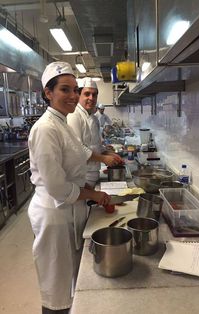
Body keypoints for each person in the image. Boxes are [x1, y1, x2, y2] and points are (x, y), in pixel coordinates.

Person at [27, 62, 111, 314]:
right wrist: (93, 194)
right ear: (48, 93)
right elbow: (56, 187)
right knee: (56, 290)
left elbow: (81, 151)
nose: (73, 96)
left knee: (69, 283)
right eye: (65, 90)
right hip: (54, 214)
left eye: (75, 89)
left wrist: (103, 157)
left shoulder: (62, 122)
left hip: (68, 212)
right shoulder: (45, 129)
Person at [67, 77, 123, 187]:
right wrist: (103, 159)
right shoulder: (74, 115)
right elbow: (77, 148)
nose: (91, 98)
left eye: (94, 94)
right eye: (87, 94)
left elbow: (95, 145)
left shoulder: (93, 118)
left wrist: (109, 153)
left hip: (93, 173)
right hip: (82, 175)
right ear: (79, 95)